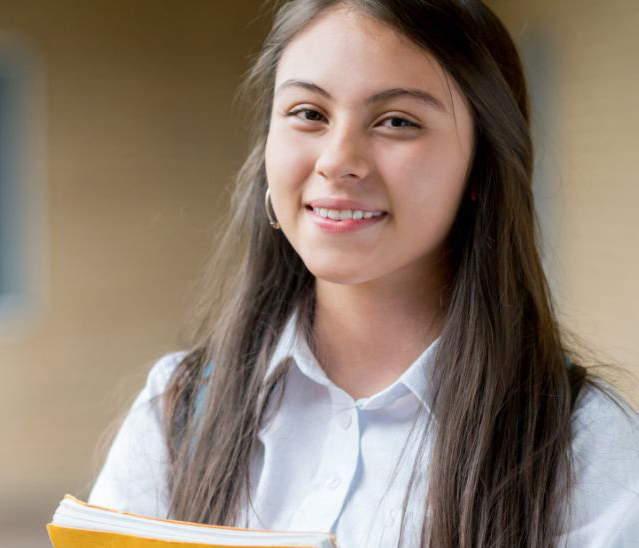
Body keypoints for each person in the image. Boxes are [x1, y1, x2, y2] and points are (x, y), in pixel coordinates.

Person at [86, 0, 639, 546]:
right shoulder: (177, 413)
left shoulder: (586, 445)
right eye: (308, 114)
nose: (337, 158)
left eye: (397, 121)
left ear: (481, 165)